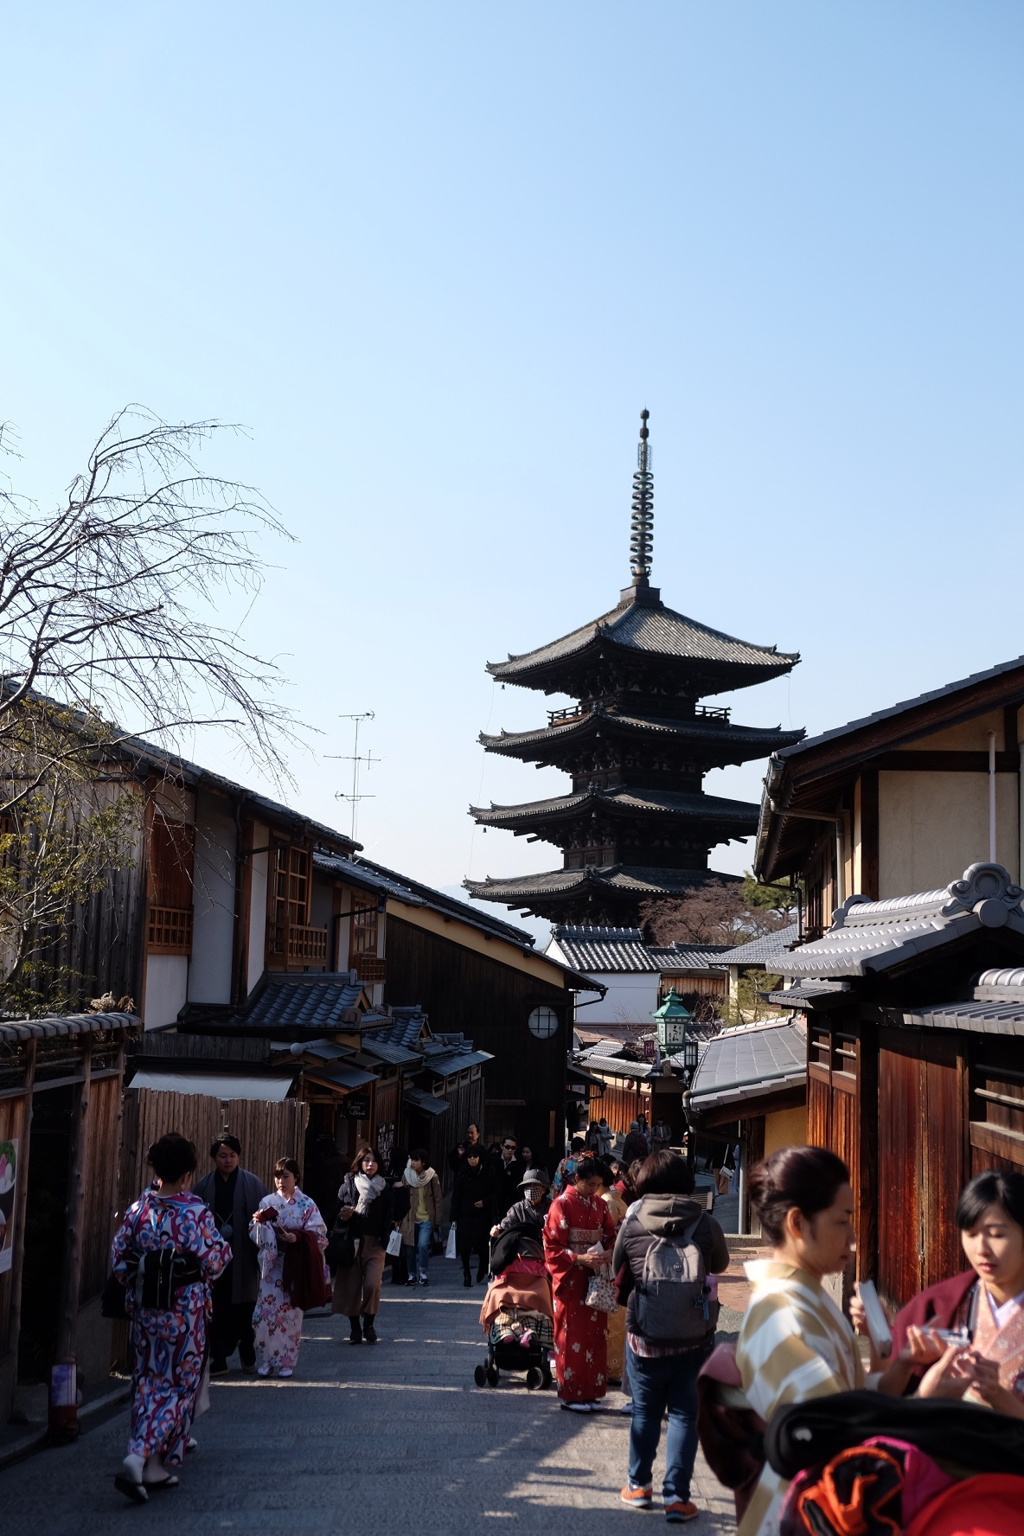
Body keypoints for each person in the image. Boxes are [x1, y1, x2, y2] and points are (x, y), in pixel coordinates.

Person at [735, 1145, 863, 1536]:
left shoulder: (803, 1297)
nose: (853, 1237)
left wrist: (899, 1369)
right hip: (805, 1511)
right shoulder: (782, 1316)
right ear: (797, 1223)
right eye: (842, 1221)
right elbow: (834, 1430)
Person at [110, 1133, 230, 1503]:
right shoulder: (193, 1212)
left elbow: (119, 1260)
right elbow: (216, 1259)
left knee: (147, 1380)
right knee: (180, 1386)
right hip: (185, 1313)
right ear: (188, 1173)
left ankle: (154, 1466)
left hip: (147, 1310)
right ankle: (139, 1454)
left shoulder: (138, 1210)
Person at [614, 1150, 730, 1522]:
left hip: (645, 1337)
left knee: (646, 1413)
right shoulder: (705, 1223)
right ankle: (678, 1498)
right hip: (695, 1337)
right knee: (684, 1414)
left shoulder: (632, 1221)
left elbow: (618, 1266)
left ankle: (638, 1486)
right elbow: (722, 1264)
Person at [857, 1168, 1024, 1414]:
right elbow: (883, 1406)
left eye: (997, 1234)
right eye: (971, 1234)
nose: (981, 1249)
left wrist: (999, 1396)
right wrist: (904, 1363)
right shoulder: (936, 1304)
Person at [543, 1158, 617, 1411]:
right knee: (571, 1333)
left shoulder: (599, 1204)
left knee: (596, 1334)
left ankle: (591, 1391)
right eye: (590, 1184)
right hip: (572, 1277)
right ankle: (572, 1393)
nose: (594, 1190)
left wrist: (608, 1251)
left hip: (594, 1276)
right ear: (577, 1179)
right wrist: (578, 1257)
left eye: (597, 1185)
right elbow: (552, 1246)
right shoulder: (560, 1204)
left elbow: (610, 1234)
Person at [193, 1135, 268, 1374]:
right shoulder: (204, 1186)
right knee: (216, 1307)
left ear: (239, 1156)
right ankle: (219, 1358)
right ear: (214, 1158)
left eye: (232, 1155)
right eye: (222, 1155)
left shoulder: (252, 1183)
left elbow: (265, 1217)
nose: (228, 1160)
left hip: (243, 1255)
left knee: (245, 1307)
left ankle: (247, 1352)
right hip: (213, 1259)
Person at [249, 1156, 328, 1377]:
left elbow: (320, 1234)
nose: (281, 1181)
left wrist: (298, 1237)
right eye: (277, 1177)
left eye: (285, 1176)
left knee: (290, 1316)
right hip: (272, 1265)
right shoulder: (267, 1202)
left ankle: (286, 1360)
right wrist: (258, 1223)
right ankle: (266, 1358)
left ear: (296, 1177)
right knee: (264, 1314)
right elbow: (254, 1232)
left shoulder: (307, 1204)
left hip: (294, 1264)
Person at [331, 1145, 393, 1344]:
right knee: (352, 1287)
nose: (370, 1164)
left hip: (376, 1243)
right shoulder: (349, 1184)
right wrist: (344, 1214)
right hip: (353, 1243)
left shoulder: (385, 1187)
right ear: (359, 1162)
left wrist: (401, 1191)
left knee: (372, 1284)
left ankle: (369, 1323)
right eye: (366, 1160)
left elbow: (397, 1211)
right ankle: (355, 1327)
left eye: (374, 1160)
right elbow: (335, 1210)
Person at [399, 1147, 442, 1286]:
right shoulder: (407, 1175)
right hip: (409, 1218)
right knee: (409, 1247)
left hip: (426, 1218)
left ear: (423, 1162)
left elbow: (438, 1199)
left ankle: (423, 1272)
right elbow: (401, 1197)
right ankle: (411, 1275)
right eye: (411, 1159)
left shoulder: (432, 1176)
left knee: (423, 1244)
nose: (413, 1163)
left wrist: (437, 1219)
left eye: (416, 1160)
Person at [452, 1145, 494, 1285]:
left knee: (481, 1244)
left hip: (482, 1214)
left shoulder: (487, 1171)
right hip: (465, 1213)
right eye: (469, 1157)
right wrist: (454, 1217)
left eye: (475, 1157)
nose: (472, 1160)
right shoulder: (462, 1171)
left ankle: (483, 1265)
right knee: (464, 1246)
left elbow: (494, 1192)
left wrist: (485, 1202)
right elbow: (456, 1195)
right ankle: (466, 1272)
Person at [492, 1167, 551, 1241]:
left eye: (535, 1185)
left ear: (543, 1189)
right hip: (525, 1248)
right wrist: (498, 1230)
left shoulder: (552, 1207)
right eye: (528, 1185)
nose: (531, 1188)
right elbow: (506, 1226)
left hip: (548, 1247)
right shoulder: (517, 1209)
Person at [492, 1135, 522, 1215]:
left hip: (511, 1202)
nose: (510, 1150)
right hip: (494, 1201)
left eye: (513, 1148)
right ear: (502, 1146)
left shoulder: (519, 1163)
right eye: (507, 1147)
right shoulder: (493, 1160)